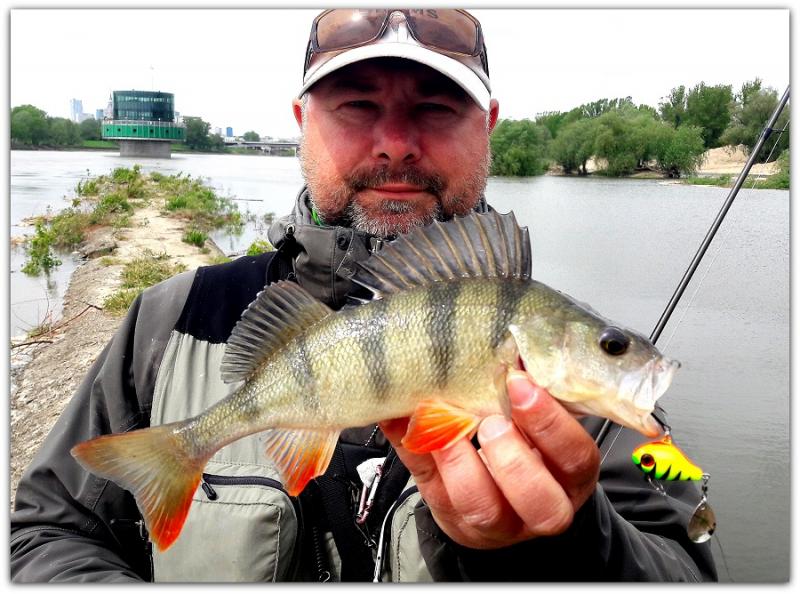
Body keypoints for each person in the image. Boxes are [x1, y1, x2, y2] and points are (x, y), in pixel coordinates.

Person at [10, 8, 717, 582]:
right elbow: (42, 537)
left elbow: (688, 565)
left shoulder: (596, 401)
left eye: (435, 107)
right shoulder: (170, 320)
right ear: (302, 121)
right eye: (357, 105)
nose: (396, 143)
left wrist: (570, 541)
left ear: (489, 125)